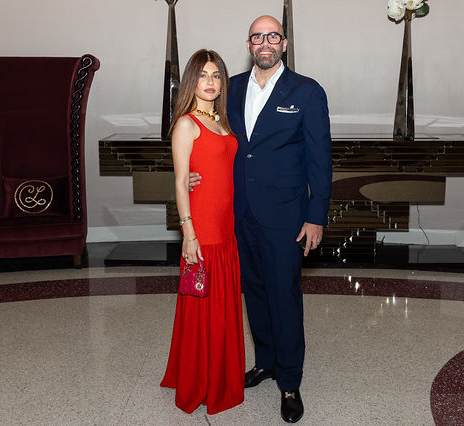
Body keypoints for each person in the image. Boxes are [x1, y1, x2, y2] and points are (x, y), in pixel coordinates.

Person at [190, 15, 332, 423]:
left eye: (272, 36)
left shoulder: (307, 91)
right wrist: (192, 172)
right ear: (249, 44)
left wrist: (316, 216)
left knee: (283, 296)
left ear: (283, 43)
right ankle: (266, 362)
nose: (265, 42)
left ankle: (289, 381)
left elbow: (320, 159)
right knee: (253, 291)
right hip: (237, 214)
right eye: (257, 37)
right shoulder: (231, 87)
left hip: (286, 217)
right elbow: (207, 132)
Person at [160, 49, 245, 415]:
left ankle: (220, 374)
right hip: (203, 228)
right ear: (191, 81)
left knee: (223, 304)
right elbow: (181, 182)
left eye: (216, 75)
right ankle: (200, 380)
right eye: (203, 75)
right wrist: (189, 234)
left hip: (227, 226)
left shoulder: (222, 121)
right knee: (203, 305)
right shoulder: (187, 123)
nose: (210, 82)